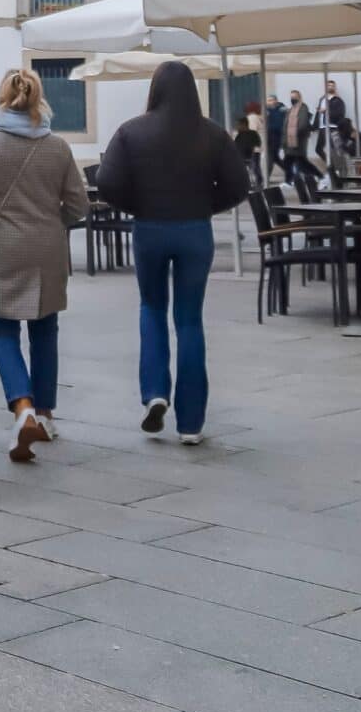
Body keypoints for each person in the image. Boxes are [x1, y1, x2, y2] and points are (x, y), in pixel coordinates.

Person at [97, 60, 250, 446]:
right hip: (195, 231)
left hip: (150, 228)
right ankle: (192, 423)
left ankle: (155, 392)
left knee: (151, 307)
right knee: (189, 319)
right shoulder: (213, 135)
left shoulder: (131, 131)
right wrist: (204, 204)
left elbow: (107, 182)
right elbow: (238, 185)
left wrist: (139, 204)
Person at [0, 70, 89, 462]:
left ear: (0, 98)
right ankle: (44, 415)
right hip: (48, 248)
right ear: (38, 99)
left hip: (4, 248)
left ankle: (22, 407)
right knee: (46, 328)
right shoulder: (58, 147)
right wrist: (48, 222)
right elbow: (79, 206)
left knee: (3, 330)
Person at [278, 89, 314, 184]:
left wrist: (295, 135)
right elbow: (286, 127)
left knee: (298, 163)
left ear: (299, 97)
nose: (292, 99)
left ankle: (317, 177)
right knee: (296, 162)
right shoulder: (291, 110)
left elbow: (302, 125)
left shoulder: (303, 108)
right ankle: (292, 181)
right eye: (291, 97)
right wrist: (284, 141)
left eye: (294, 97)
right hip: (290, 141)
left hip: (297, 141)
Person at [316, 80, 347, 165]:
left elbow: (340, 113)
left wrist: (326, 111)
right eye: (328, 85)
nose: (330, 87)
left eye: (332, 86)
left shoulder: (337, 100)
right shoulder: (322, 99)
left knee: (334, 148)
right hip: (322, 127)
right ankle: (331, 165)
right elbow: (318, 113)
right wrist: (314, 126)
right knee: (318, 149)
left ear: (334, 87)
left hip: (332, 127)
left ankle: (338, 168)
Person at [233, 115, 263, 186]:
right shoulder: (239, 135)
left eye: (238, 125)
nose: (237, 127)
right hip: (240, 157)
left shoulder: (252, 134)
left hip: (251, 156)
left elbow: (258, 144)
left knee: (255, 164)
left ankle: (258, 181)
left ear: (244, 125)